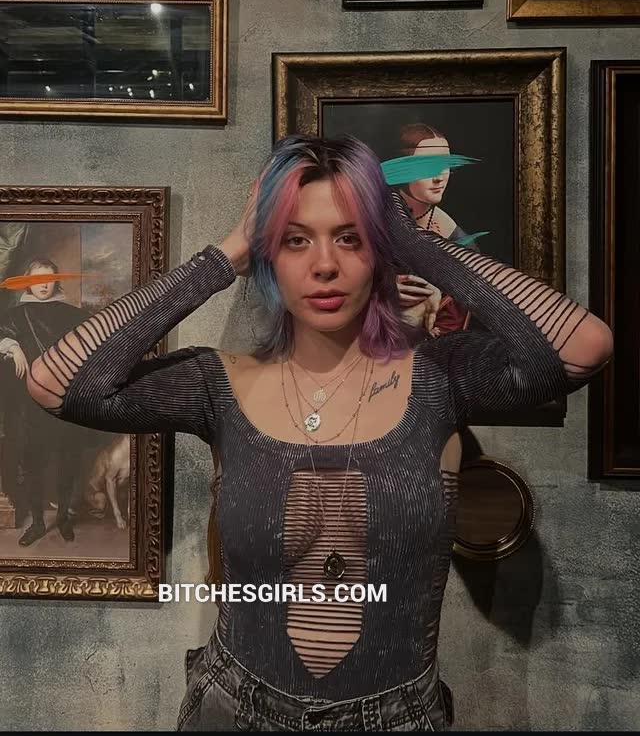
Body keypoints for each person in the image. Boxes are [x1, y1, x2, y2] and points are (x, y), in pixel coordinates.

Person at [26, 135, 612, 731]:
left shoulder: (439, 378)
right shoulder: (218, 383)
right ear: (268, 254)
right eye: (295, 239)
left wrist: (411, 239)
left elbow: (583, 348)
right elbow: (56, 383)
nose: (324, 264)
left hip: (398, 718)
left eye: (351, 237)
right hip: (235, 708)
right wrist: (224, 256)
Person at [0, 258, 91, 545]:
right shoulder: (15, 315)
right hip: (29, 403)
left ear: (56, 281)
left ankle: (63, 518)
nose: (43, 285)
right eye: (37, 279)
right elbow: (1, 335)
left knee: (68, 459)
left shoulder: (73, 314)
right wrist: (12, 347)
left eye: (49, 279)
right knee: (32, 463)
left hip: (64, 399)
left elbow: (93, 345)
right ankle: (38, 523)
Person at [394, 123, 476, 336]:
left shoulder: (458, 241)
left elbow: (454, 322)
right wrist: (379, 290)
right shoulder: (371, 217)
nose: (439, 177)